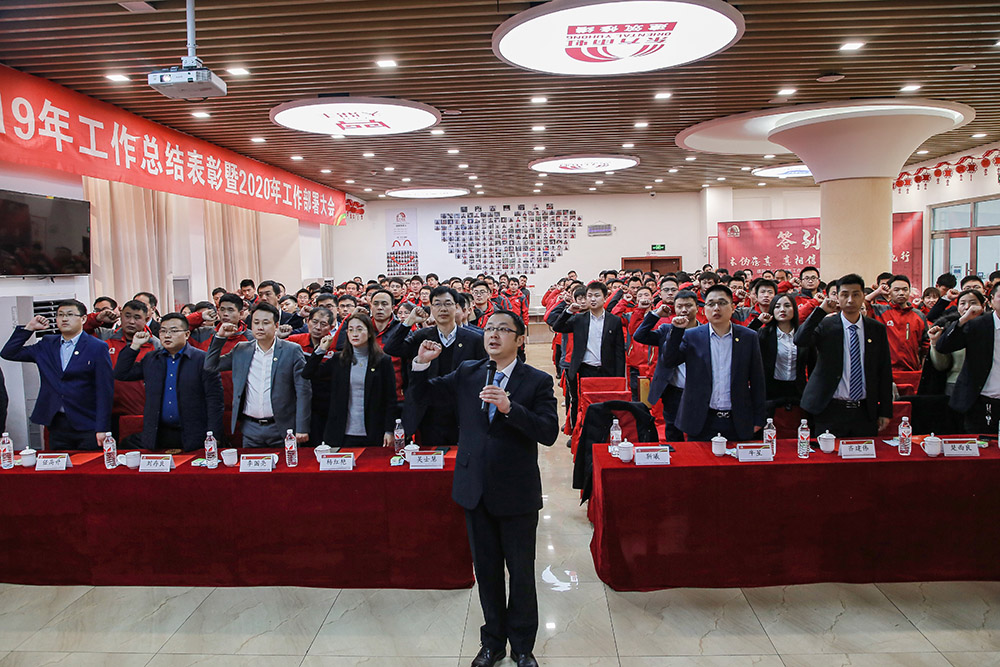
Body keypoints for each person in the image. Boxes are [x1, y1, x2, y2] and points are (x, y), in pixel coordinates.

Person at [408, 310, 558, 667]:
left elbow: (548, 432)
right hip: (474, 488)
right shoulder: (468, 372)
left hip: (517, 492)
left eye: (503, 330)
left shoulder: (537, 380)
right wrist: (421, 364)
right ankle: (492, 642)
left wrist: (510, 408)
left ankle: (522, 646)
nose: (493, 335)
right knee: (487, 573)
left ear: (519, 339)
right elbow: (425, 396)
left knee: (521, 574)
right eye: (489, 328)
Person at [1, 299, 113, 450]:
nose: (64, 319)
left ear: (83, 319)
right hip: (56, 422)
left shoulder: (97, 347)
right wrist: (29, 328)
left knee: (88, 463)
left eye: (70, 314)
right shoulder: (47, 344)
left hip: (87, 421)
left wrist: (103, 427)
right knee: (59, 463)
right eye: (60, 315)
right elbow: (9, 353)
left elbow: (105, 390)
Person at [660, 284, 766, 441]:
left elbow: (757, 380)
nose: (716, 308)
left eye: (722, 303)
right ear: (704, 309)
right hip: (701, 419)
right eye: (711, 304)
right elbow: (669, 360)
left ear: (733, 307)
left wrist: (759, 418)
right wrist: (676, 331)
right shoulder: (692, 336)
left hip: (738, 418)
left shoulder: (748, 337)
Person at [383, 286, 486, 444]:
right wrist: (409, 321)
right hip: (428, 411)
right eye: (437, 304)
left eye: (448, 304)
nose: (443, 309)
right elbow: (391, 348)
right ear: (431, 308)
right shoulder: (422, 337)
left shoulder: (475, 339)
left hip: (463, 412)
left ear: (456, 307)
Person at [795, 274, 893, 437]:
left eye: (856, 294)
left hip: (864, 410)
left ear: (863, 296)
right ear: (837, 297)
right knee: (828, 453)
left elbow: (884, 371)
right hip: (829, 408)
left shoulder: (876, 329)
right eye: (845, 294)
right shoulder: (826, 325)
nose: (850, 300)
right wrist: (820, 311)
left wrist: (885, 410)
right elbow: (800, 340)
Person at [205, 302, 311, 447]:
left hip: (283, 427)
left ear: (276, 325)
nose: (260, 327)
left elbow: (303, 390)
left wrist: (302, 427)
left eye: (265, 323)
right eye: (256, 323)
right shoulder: (242, 350)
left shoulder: (291, 350)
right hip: (250, 428)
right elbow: (210, 366)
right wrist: (220, 337)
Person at [113, 313, 224, 451]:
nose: (167, 335)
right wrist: (134, 346)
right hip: (158, 433)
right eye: (163, 331)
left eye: (173, 331)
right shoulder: (151, 359)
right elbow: (122, 373)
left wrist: (214, 434)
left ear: (187, 334)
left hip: (193, 433)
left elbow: (215, 400)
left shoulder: (202, 360)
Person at [302, 313, 397, 447]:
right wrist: (321, 350)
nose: (354, 334)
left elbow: (390, 399)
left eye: (359, 329)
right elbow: (308, 373)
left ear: (370, 333)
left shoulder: (383, 361)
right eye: (351, 330)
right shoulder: (339, 359)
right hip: (341, 431)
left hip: (374, 430)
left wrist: (389, 430)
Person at [550, 281, 626, 428]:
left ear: (605, 297)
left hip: (606, 370)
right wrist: (568, 311)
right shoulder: (579, 319)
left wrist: (619, 377)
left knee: (606, 404)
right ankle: (578, 433)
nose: (592, 299)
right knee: (581, 404)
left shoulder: (614, 321)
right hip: (584, 369)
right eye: (589, 295)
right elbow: (557, 326)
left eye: (597, 295)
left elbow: (619, 352)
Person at [633, 288, 700, 441]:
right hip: (673, 390)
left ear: (697, 307)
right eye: (679, 306)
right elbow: (639, 336)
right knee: (673, 431)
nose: (684, 310)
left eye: (688, 306)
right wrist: (656, 314)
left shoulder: (705, 331)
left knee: (696, 431)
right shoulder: (666, 330)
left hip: (698, 390)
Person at [935, 283, 1000, 432]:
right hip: (980, 399)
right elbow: (943, 346)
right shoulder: (978, 325)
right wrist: (962, 320)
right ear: (990, 301)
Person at [749, 292, 810, 416]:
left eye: (787, 306)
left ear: (794, 309)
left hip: (797, 391)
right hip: (770, 392)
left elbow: (812, 364)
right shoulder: (764, 334)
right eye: (777, 306)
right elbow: (744, 339)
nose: (782, 309)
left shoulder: (802, 335)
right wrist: (758, 322)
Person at [287, 306, 336, 445]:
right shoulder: (294, 341)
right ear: (307, 321)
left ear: (331, 327)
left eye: (323, 324)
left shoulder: (335, 346)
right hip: (299, 401)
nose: (318, 327)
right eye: (314, 322)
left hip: (325, 403)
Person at [927, 288, 984, 398]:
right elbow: (942, 365)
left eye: (973, 303)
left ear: (983, 305)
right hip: (955, 383)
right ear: (957, 307)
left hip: (985, 384)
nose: (967, 307)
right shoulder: (950, 328)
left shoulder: (990, 326)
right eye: (962, 303)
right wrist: (935, 343)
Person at [869, 274, 928, 372]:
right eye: (896, 290)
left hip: (912, 371)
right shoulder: (879, 311)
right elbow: (860, 306)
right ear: (889, 292)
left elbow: (925, 345)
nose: (901, 293)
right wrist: (878, 292)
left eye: (905, 290)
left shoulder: (919, 315)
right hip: (885, 371)